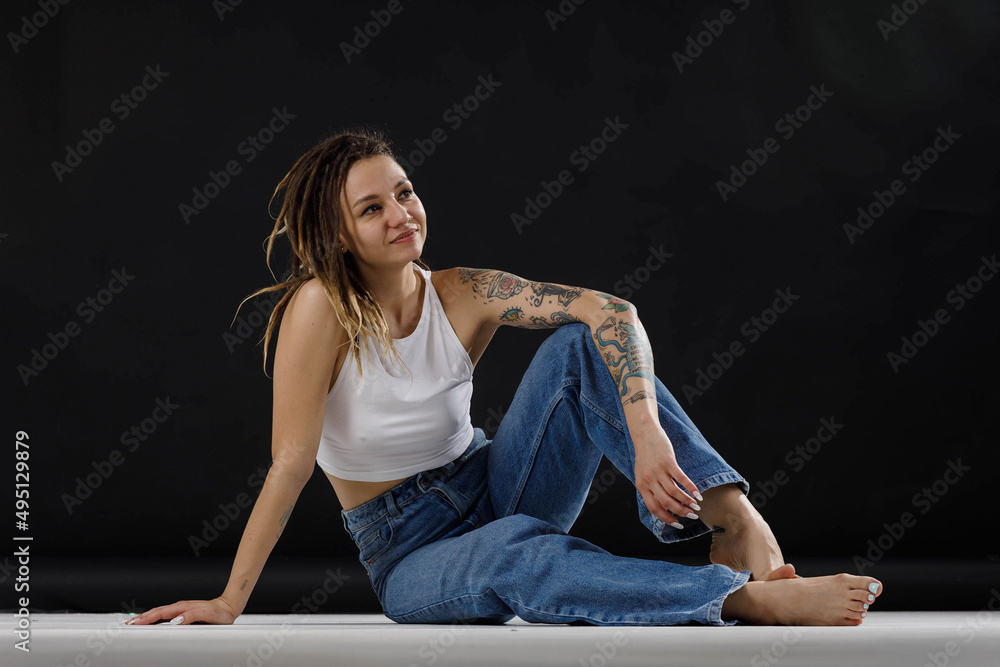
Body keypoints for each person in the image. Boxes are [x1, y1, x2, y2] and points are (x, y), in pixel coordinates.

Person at [126, 127, 882, 628]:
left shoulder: (462, 290)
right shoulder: (320, 307)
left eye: (405, 192)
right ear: (337, 233)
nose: (401, 213)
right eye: (371, 207)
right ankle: (742, 600)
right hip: (408, 551)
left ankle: (732, 520)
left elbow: (610, 310)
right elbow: (291, 462)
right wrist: (230, 600)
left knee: (579, 348)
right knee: (515, 548)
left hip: (493, 482)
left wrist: (646, 433)